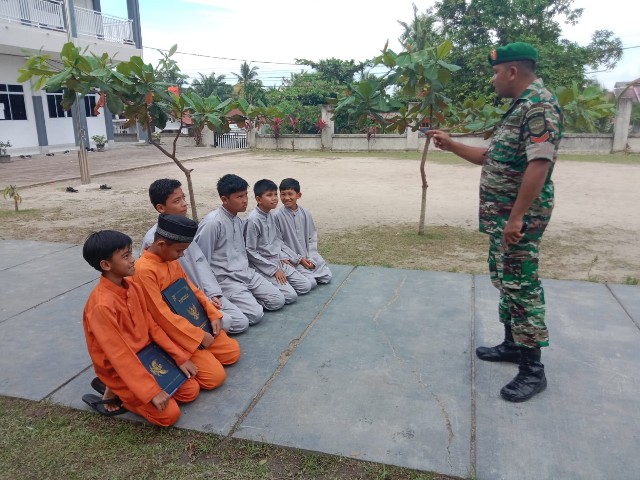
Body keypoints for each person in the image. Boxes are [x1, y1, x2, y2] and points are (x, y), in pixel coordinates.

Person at [428, 42, 563, 402]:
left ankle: (533, 371)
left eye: (495, 72)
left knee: (522, 288)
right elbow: (491, 158)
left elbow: (540, 163)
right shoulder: (520, 108)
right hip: (504, 217)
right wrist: (451, 144)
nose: (493, 79)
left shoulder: (539, 106)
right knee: (506, 280)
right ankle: (512, 345)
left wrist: (517, 217)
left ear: (512, 72)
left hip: (518, 218)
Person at [82, 230, 200, 427]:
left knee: (190, 391)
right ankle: (120, 393)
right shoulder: (101, 306)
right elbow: (118, 355)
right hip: (121, 368)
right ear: (106, 265)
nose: (132, 260)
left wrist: (179, 356)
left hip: (148, 357)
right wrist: (151, 391)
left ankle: (119, 391)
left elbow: (152, 327)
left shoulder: (132, 286)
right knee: (169, 415)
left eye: (131, 254)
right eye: (125, 256)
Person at [132, 214, 241, 391]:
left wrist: (212, 313)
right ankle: (178, 360)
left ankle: (202, 353)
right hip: (174, 334)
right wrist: (197, 336)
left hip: (195, 323)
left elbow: (192, 289)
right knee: (215, 378)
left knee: (232, 352)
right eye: (180, 250)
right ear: (161, 245)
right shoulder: (144, 271)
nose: (181, 255)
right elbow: (162, 316)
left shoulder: (170, 259)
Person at [141, 178, 249, 334]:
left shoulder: (184, 228)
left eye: (184, 198)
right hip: (184, 300)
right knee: (230, 322)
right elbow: (171, 287)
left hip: (203, 292)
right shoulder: (155, 241)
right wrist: (202, 300)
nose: (184, 204)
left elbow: (201, 262)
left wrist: (211, 293)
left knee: (241, 321)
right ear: (160, 208)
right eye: (177, 201)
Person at [194, 174, 286, 322]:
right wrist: (210, 291)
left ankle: (247, 300)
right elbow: (200, 260)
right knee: (255, 315)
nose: (245, 201)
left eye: (245, 195)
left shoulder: (237, 219)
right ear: (224, 199)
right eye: (239, 197)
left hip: (246, 273)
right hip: (226, 279)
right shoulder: (213, 223)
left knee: (278, 300)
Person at [243, 179, 314, 304]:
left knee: (306, 286)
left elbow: (277, 242)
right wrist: (273, 269)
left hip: (278, 260)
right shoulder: (253, 220)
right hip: (262, 265)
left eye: (275, 194)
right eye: (269, 195)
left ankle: (278, 287)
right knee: (290, 297)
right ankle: (259, 293)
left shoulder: (270, 215)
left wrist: (290, 257)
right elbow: (250, 251)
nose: (275, 198)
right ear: (259, 199)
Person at [274, 178, 332, 287]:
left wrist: (311, 258)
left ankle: (307, 271)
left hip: (308, 255)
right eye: (283, 194)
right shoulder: (277, 216)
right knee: (311, 283)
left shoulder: (305, 213)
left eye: (290, 194)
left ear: (298, 195)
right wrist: (298, 259)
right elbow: (278, 242)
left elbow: (312, 237)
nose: (286, 198)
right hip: (293, 259)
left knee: (326, 277)